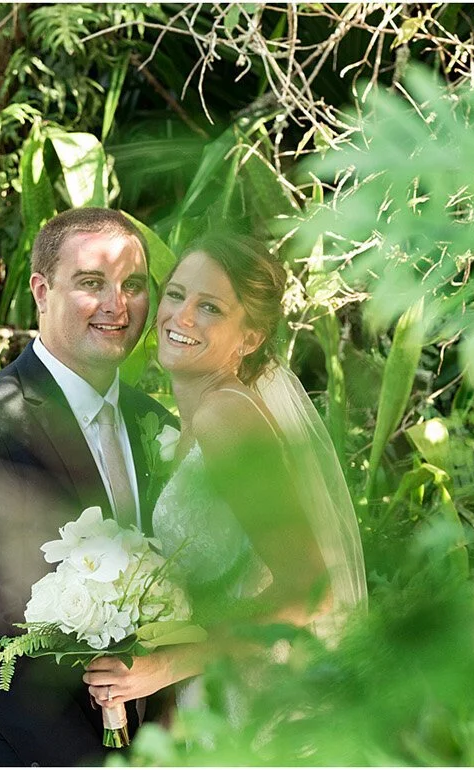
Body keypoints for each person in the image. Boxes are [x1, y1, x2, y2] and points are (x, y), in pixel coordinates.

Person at [0, 207, 177, 766]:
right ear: (41, 289)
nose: (116, 305)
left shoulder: (161, 427)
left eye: (132, 285)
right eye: (90, 283)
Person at [79, 233, 366, 721]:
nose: (182, 316)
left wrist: (164, 666)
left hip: (255, 699)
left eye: (210, 307)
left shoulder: (226, 420)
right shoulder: (186, 425)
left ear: (250, 337)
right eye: (175, 295)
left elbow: (312, 588)